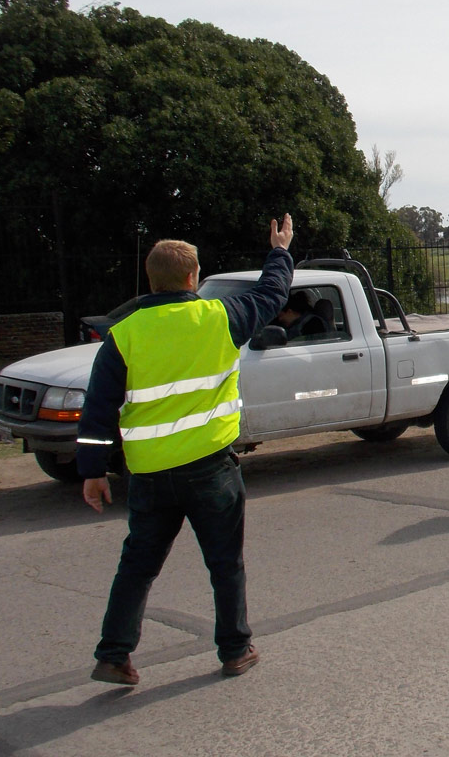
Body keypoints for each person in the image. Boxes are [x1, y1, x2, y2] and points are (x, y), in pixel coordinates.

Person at [76, 215, 295, 686]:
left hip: (150, 476)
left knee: (137, 566)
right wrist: (279, 250)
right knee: (224, 564)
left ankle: (114, 655)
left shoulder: (124, 334)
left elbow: (97, 409)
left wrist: (92, 470)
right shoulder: (218, 318)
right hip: (211, 470)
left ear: (151, 280)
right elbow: (273, 294)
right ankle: (235, 650)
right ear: (193, 278)